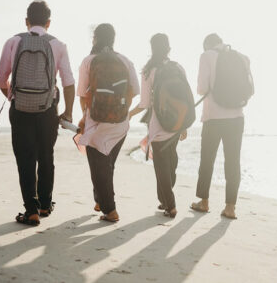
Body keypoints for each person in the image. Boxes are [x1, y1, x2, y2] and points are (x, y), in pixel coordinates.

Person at [0, 0, 75, 226]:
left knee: (25, 159)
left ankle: (30, 210)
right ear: (49, 22)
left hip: (20, 109)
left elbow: (2, 80)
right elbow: (69, 82)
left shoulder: (13, 41)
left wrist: (15, 97)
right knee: (46, 156)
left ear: (26, 21)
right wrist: (68, 112)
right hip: (47, 109)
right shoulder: (58, 45)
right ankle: (45, 205)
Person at [76, 23, 140, 223]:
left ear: (95, 39)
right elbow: (134, 91)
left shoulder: (88, 61)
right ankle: (100, 201)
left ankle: (110, 210)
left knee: (98, 166)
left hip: (97, 121)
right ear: (113, 40)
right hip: (120, 123)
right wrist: (121, 110)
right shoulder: (125, 61)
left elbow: (82, 95)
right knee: (107, 165)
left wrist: (85, 118)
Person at [191, 33, 253, 219]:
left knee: (207, 161)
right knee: (233, 162)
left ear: (207, 45)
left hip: (213, 117)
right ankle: (230, 207)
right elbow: (249, 88)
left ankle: (204, 201)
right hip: (236, 117)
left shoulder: (207, 56)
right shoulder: (242, 57)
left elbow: (202, 88)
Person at [129, 34, 189, 218]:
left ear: (152, 48)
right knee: (171, 161)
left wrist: (129, 114)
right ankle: (164, 199)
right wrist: (184, 125)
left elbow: (145, 103)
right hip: (177, 123)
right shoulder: (178, 68)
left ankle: (169, 204)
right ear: (168, 48)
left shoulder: (149, 70)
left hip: (158, 124)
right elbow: (185, 98)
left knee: (161, 165)